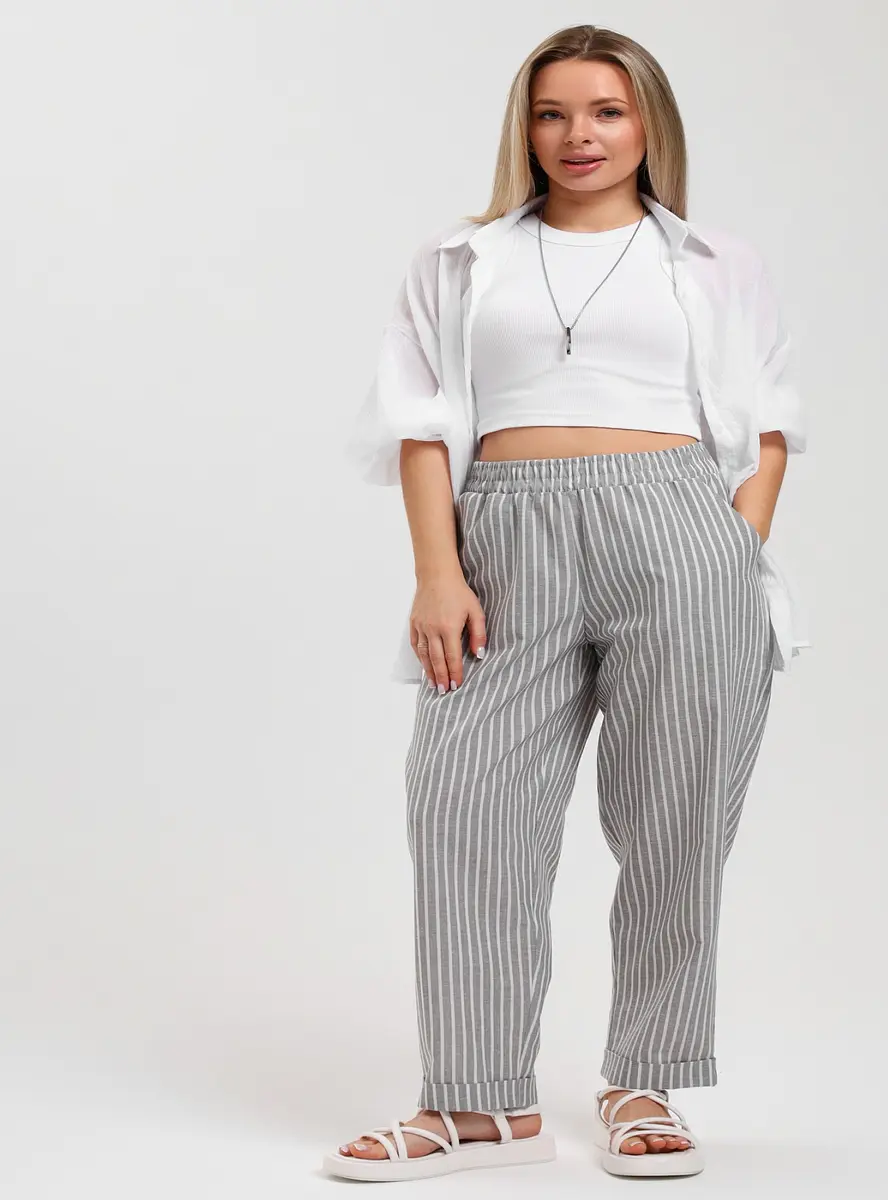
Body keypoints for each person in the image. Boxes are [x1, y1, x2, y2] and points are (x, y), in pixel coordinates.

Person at [325, 21, 809, 1184]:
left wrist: (729, 551)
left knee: (676, 818)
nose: (576, 135)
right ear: (525, 128)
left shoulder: (714, 261)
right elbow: (421, 426)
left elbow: (771, 421)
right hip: (503, 539)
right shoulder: (461, 259)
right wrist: (437, 573)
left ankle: (645, 1077)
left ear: (648, 123)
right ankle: (477, 1102)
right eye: (551, 113)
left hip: (678, 529)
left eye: (604, 111)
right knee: (464, 803)